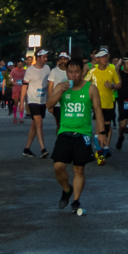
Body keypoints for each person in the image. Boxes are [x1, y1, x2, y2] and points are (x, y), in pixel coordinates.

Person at [46, 57, 104, 216]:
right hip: (64, 131)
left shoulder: (91, 88)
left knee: (79, 168)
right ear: (66, 72)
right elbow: (49, 105)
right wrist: (60, 91)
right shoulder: (61, 86)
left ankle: (76, 200)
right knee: (58, 166)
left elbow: (98, 111)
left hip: (83, 133)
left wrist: (101, 133)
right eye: (70, 72)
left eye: (76, 72)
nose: (73, 75)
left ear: (82, 72)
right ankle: (67, 189)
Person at [88, 48, 120, 160]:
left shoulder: (112, 70)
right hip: (97, 104)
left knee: (107, 126)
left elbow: (119, 84)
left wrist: (111, 86)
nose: (105, 59)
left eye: (106, 56)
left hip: (109, 103)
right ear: (97, 59)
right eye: (102, 57)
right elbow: (85, 84)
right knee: (99, 126)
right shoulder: (92, 71)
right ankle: (99, 149)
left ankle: (105, 145)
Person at [22, 49, 51, 159]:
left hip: (42, 101)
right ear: (38, 58)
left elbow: (50, 84)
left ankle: (27, 149)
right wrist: (22, 103)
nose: (46, 59)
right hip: (33, 100)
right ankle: (43, 149)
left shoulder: (47, 68)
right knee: (39, 123)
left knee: (34, 125)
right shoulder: (30, 70)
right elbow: (24, 86)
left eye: (46, 57)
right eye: (44, 57)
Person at [48, 52, 71, 131]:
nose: (63, 61)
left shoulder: (71, 71)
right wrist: (51, 102)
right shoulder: (54, 71)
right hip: (57, 103)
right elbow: (50, 87)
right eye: (61, 59)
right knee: (59, 123)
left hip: (69, 102)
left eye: (65, 59)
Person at [10, 57, 26, 123]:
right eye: (19, 64)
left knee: (22, 103)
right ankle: (14, 116)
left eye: (21, 64)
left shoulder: (24, 71)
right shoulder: (13, 70)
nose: (20, 65)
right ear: (17, 64)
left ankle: (21, 117)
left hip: (22, 89)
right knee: (16, 103)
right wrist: (13, 82)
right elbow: (10, 79)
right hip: (16, 88)